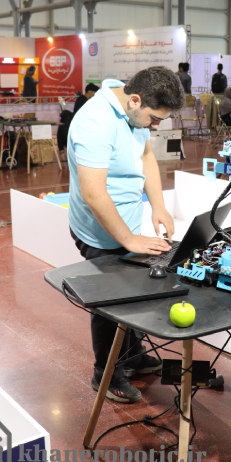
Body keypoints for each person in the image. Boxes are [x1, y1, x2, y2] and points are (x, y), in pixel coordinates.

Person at [67, 66, 186, 403]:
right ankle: (105, 373)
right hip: (99, 231)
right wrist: (130, 240)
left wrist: (158, 205)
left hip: (127, 226)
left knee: (131, 290)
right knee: (109, 301)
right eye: (154, 119)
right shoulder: (95, 122)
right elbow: (94, 194)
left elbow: (146, 156)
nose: (155, 126)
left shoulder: (133, 108)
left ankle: (133, 356)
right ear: (135, 100)